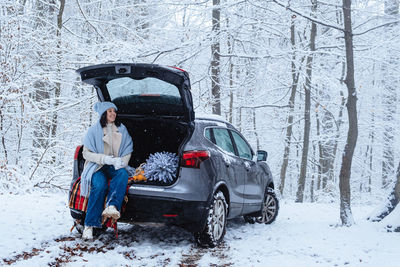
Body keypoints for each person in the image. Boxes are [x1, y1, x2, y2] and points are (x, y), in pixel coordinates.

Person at [80, 101, 133, 240]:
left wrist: (121, 162)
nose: (113, 113)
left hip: (114, 166)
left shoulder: (122, 129)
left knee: (122, 174)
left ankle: (112, 206)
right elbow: (86, 153)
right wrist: (104, 159)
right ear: (104, 113)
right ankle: (89, 225)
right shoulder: (93, 130)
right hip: (96, 166)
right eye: (109, 111)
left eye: (114, 111)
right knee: (99, 185)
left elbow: (128, 149)